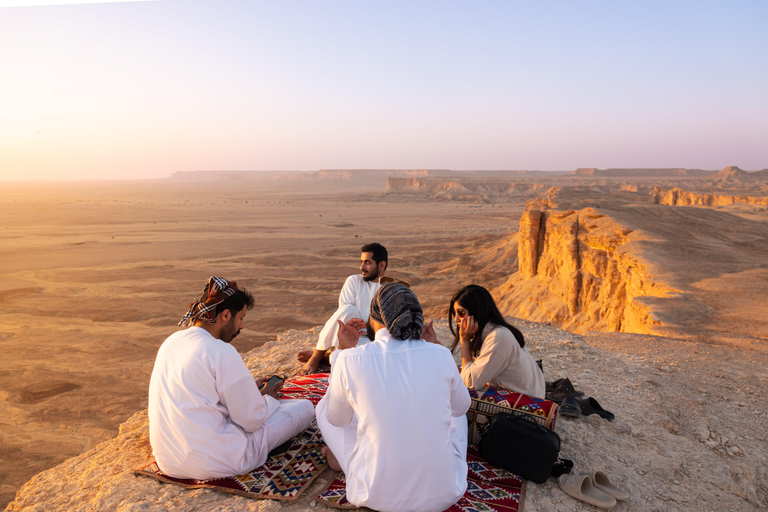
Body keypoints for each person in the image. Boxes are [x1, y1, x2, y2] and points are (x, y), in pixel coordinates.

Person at [316, 283, 470, 512]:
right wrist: (434, 349)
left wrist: (341, 352)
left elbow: (336, 419)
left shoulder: (351, 359)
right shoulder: (441, 354)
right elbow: (461, 407)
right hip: (445, 491)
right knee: (458, 414)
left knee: (323, 408)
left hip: (375, 494)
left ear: (376, 318)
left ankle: (346, 461)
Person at [148, 276, 314, 480]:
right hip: (219, 461)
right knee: (304, 408)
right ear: (225, 315)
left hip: (169, 462)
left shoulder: (171, 341)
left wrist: (249, 390)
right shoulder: (221, 351)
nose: (242, 326)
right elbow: (251, 421)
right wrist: (268, 398)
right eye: (241, 318)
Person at [297, 242, 388, 375]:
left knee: (370, 361)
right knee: (348, 310)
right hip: (351, 335)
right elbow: (344, 315)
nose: (362, 267)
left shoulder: (392, 288)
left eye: (367, 262)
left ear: (381, 265)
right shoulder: (353, 281)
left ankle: (328, 357)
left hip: (374, 340)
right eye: (362, 262)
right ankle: (317, 356)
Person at [445, 284, 545, 398]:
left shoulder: (498, 337)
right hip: (516, 394)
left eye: (461, 313)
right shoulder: (487, 332)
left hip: (524, 402)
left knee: (450, 393)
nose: (456, 319)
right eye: (454, 313)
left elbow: (470, 382)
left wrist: (464, 341)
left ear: (477, 312)